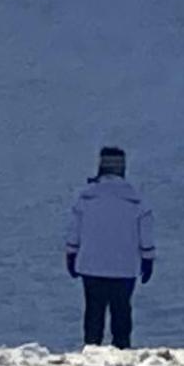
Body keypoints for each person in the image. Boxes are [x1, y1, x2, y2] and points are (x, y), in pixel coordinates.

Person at [65, 146, 154, 350]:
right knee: (121, 312)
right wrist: (147, 259)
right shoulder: (136, 200)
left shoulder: (86, 198)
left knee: (93, 312)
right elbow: (146, 235)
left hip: (91, 265)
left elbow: (74, 232)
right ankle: (122, 351)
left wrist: (71, 255)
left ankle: (91, 350)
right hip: (125, 268)